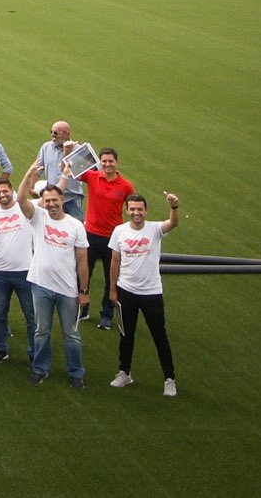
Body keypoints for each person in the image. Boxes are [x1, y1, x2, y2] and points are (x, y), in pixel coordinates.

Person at [19, 161, 89, 387]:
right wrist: (29, 174)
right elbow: (20, 200)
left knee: (71, 334)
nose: (51, 204)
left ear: (63, 201)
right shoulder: (38, 217)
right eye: (47, 200)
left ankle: (76, 372)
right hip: (41, 285)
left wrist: (84, 291)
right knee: (42, 331)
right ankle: (40, 369)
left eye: (54, 200)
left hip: (68, 289)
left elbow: (82, 261)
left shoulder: (76, 226)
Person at [108, 191, 181, 397]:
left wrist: (174, 206)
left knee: (160, 336)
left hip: (151, 293)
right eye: (132, 209)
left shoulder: (154, 229)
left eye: (140, 209)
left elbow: (173, 223)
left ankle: (169, 379)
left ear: (146, 210)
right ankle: (124, 372)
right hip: (126, 291)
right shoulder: (119, 231)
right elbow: (115, 260)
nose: (136, 212)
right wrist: (113, 289)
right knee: (126, 335)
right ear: (127, 210)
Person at [74, 146, 135, 326]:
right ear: (99, 162)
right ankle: (82, 309)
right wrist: (68, 150)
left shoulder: (125, 185)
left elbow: (133, 206)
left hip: (113, 237)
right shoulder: (92, 176)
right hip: (90, 234)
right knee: (84, 273)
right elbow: (72, 169)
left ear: (117, 163)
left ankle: (106, 314)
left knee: (112, 277)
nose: (107, 164)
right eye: (104, 161)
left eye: (111, 161)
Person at [0, 178, 36, 363]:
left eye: (5, 191)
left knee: (31, 315)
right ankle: (0, 349)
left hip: (26, 272)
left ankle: (34, 352)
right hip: (0, 272)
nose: (2, 195)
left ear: (12, 190)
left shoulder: (26, 208)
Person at [35, 120, 85, 219]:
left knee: (77, 227)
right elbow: (37, 169)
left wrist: (67, 152)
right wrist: (31, 188)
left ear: (67, 134)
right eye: (51, 132)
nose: (53, 135)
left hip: (72, 198)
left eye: (56, 133)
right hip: (51, 198)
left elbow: (92, 172)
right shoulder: (46, 147)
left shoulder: (79, 151)